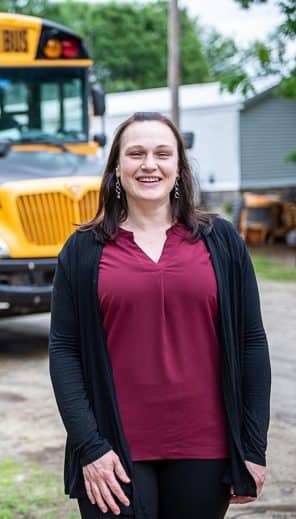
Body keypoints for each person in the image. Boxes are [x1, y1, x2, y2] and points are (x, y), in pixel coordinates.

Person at [48, 112, 270, 518]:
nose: (149, 164)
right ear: (117, 166)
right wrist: (90, 447)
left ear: (179, 167)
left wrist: (253, 448)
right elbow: (64, 352)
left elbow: (251, 343)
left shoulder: (220, 242)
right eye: (136, 153)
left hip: (206, 448)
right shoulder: (82, 251)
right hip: (113, 451)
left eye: (162, 153)